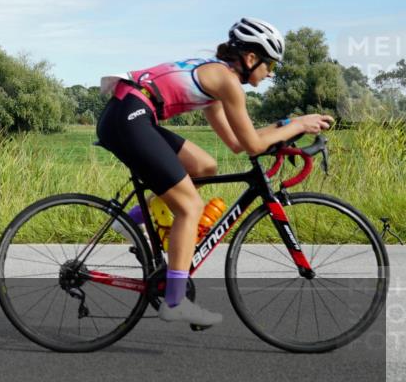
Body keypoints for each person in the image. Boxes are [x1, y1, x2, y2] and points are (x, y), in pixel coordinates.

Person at [95, 17, 334, 326]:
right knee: (190, 207)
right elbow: (251, 146)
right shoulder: (227, 82)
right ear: (251, 58)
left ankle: (133, 220)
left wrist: (284, 126)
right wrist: (299, 124)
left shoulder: (216, 79)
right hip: (130, 115)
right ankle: (175, 302)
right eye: (269, 66)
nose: (270, 73)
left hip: (130, 112)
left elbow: (237, 143)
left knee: (204, 166)